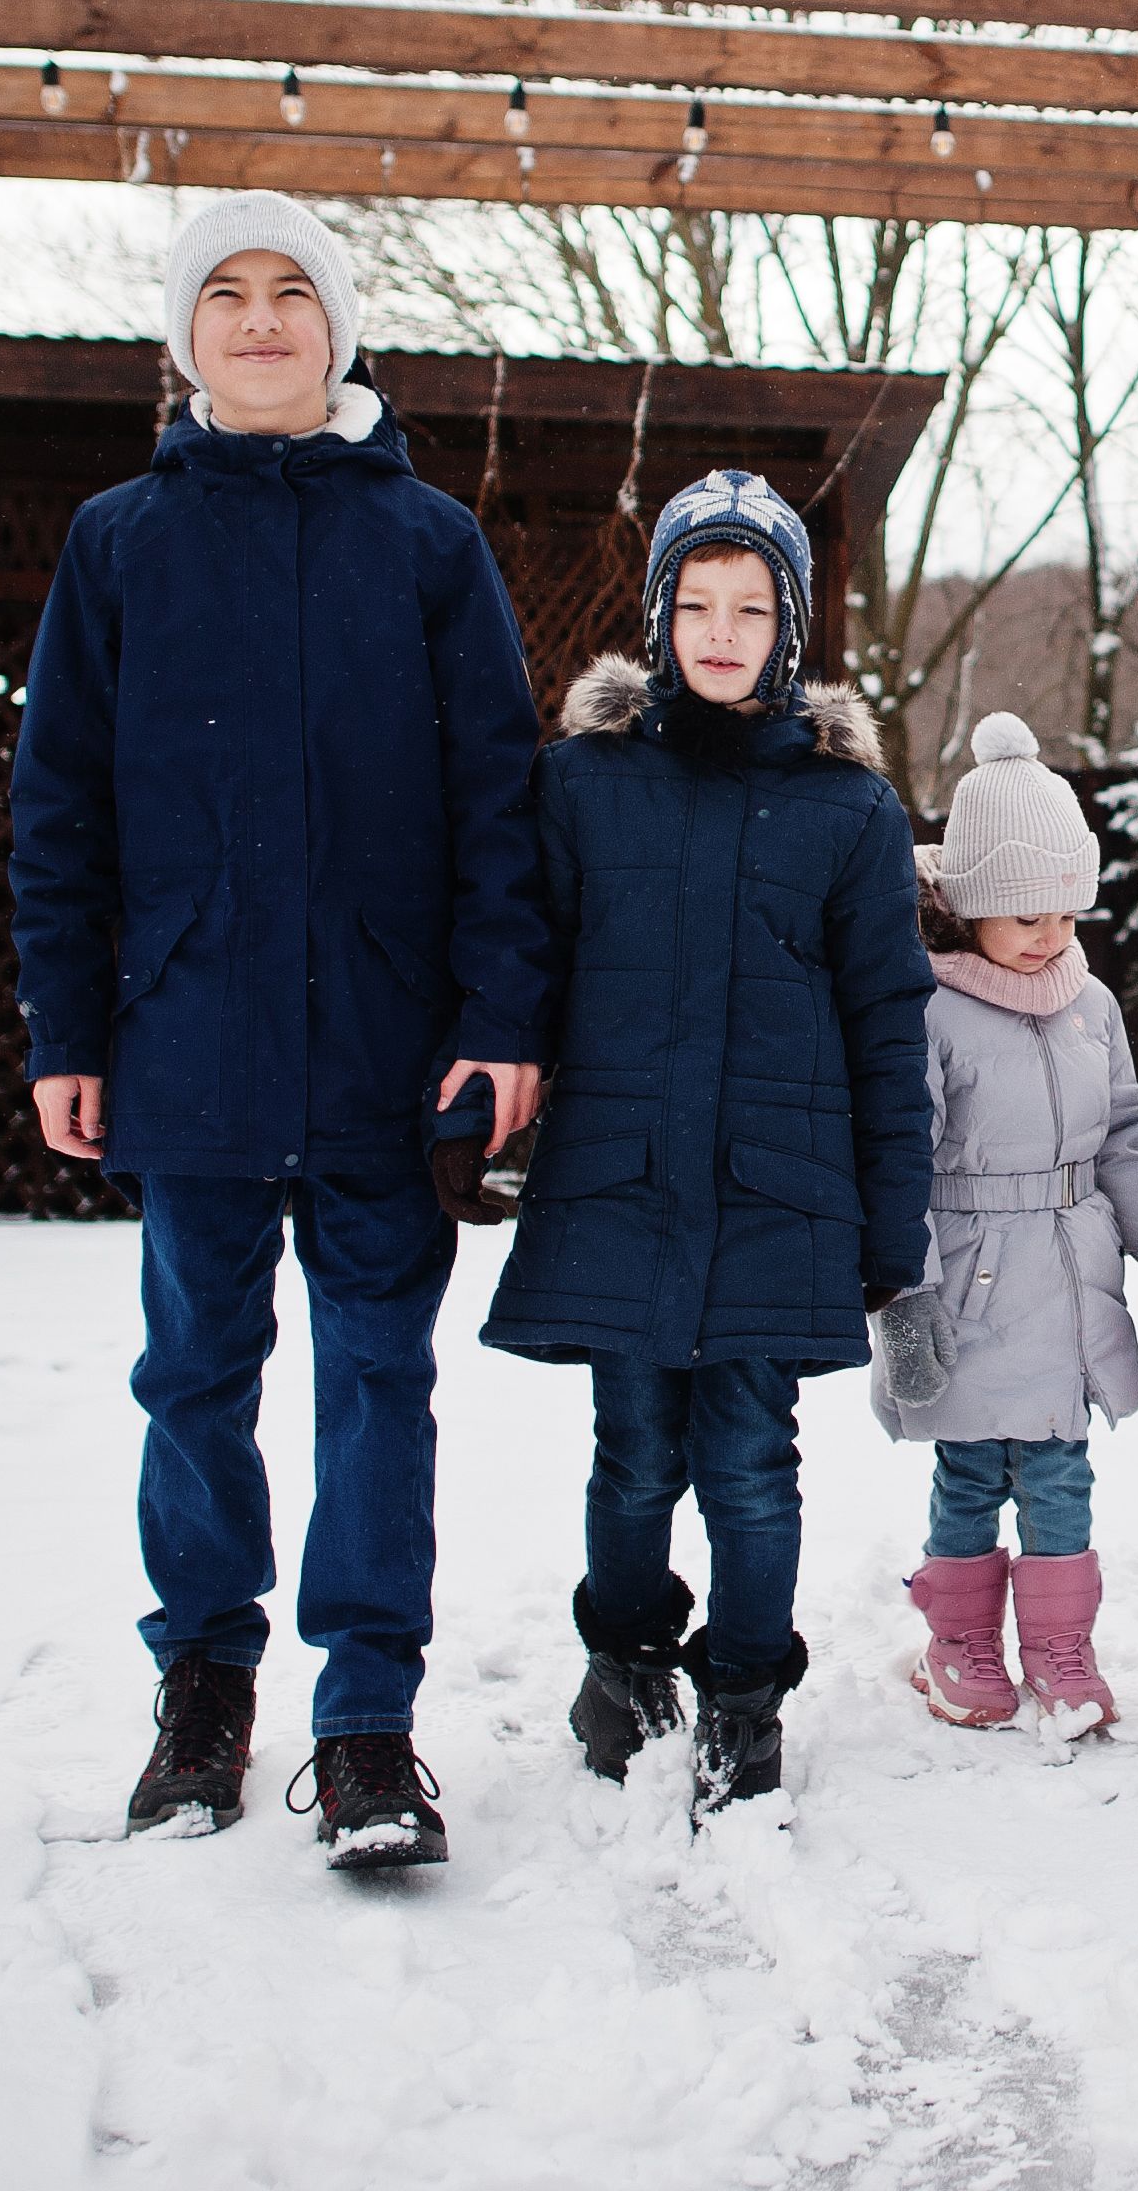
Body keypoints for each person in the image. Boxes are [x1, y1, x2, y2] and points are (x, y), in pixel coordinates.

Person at [10, 190, 551, 1871]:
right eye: (225, 295)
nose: (259, 320)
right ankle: (202, 1689)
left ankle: (366, 1720)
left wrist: (501, 1015)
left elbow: (498, 809)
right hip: (187, 1037)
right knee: (195, 1375)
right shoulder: (117, 543)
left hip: (394, 1050)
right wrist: (65, 1031)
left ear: (339, 328)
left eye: (290, 292)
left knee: (379, 1376)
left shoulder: (428, 545)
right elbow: (61, 812)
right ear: (187, 338)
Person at [464, 470, 933, 1821]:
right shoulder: (582, 785)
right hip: (619, 1177)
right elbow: (520, 967)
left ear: (788, 628)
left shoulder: (848, 813)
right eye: (696, 601)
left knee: (750, 1459)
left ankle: (743, 1692)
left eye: (750, 605)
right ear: (660, 612)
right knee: (633, 1454)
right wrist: (477, 1119)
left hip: (780, 1195)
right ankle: (623, 1658)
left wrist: (890, 1237)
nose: (720, 630)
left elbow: (886, 1030)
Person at [873, 713, 1138, 1738]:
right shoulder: (929, 1012)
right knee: (967, 1470)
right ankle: (955, 1642)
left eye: (1063, 911)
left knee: (1058, 1473)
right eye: (1022, 913)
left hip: (1073, 1273)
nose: (1049, 934)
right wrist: (905, 1301)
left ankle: (1059, 1644)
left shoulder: (1091, 1005)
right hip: (967, 1276)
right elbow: (899, 1158)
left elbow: (1123, 1137)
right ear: (966, 908)